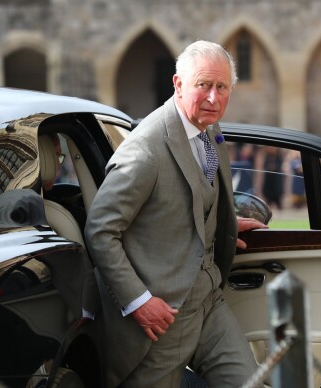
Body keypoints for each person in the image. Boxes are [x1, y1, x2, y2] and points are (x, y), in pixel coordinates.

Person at [84, 40, 267, 387]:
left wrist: (222, 223)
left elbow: (193, 199)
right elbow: (100, 230)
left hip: (209, 299)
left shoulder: (208, 131)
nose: (214, 98)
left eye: (222, 87)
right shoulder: (146, 149)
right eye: (204, 85)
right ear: (178, 84)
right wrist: (138, 302)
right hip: (160, 317)